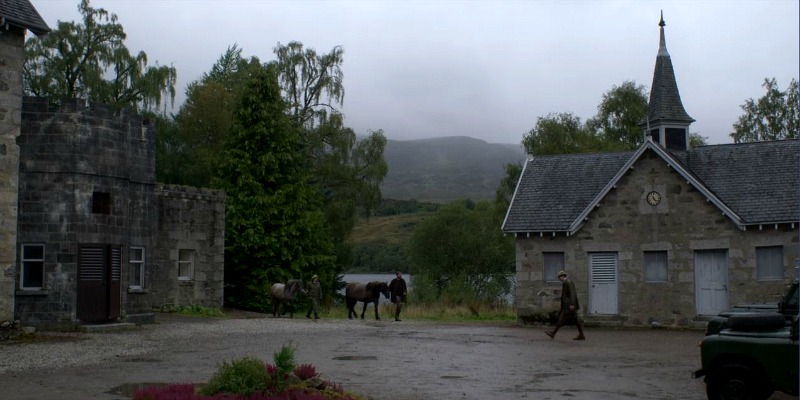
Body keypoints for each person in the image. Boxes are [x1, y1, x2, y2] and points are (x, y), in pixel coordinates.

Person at [545, 270, 586, 340]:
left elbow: (572, 293)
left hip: (568, 306)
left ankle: (553, 333)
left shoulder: (568, 282)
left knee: (562, 319)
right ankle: (581, 335)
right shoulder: (566, 283)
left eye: (559, 277)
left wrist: (572, 304)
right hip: (568, 305)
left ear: (562, 276)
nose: (559, 279)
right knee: (576, 319)